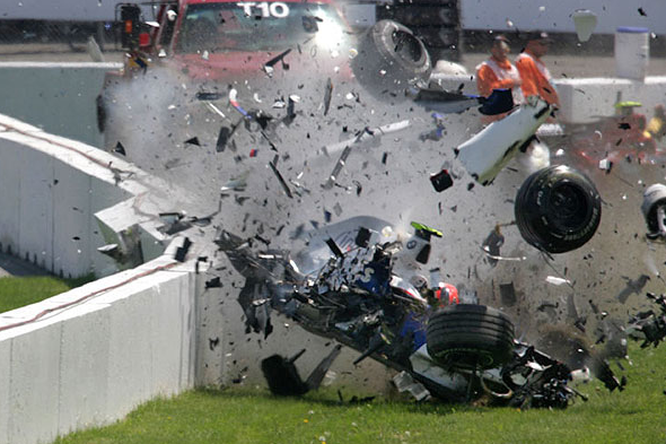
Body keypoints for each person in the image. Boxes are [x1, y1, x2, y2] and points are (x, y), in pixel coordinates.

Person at [475, 35, 523, 123]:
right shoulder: (485, 68)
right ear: (492, 49)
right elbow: (487, 89)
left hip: (514, 112)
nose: (502, 50)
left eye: (504, 47)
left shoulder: (513, 69)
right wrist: (510, 83)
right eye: (498, 47)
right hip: (493, 116)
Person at [515, 31, 560, 108]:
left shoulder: (535, 60)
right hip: (537, 109)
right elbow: (528, 87)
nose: (545, 48)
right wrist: (537, 108)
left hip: (545, 107)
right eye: (542, 44)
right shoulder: (525, 60)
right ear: (530, 44)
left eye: (547, 45)